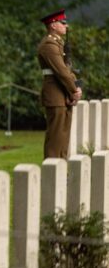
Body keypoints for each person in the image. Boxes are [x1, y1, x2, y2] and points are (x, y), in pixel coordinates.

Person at [38, 9, 81, 159]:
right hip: (55, 94)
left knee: (62, 136)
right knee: (56, 137)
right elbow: (61, 71)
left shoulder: (57, 43)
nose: (66, 26)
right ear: (53, 25)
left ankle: (61, 170)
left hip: (62, 93)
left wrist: (75, 87)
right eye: (62, 23)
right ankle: (52, 171)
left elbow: (67, 68)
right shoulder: (49, 44)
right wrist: (74, 90)